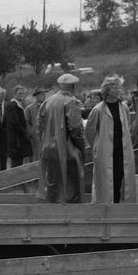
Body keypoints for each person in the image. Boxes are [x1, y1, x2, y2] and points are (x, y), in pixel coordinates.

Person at [35, 73, 86, 204]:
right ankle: (71, 217)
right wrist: (82, 148)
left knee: (53, 186)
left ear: (59, 86)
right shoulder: (71, 102)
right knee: (71, 189)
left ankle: (52, 216)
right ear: (73, 87)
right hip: (67, 152)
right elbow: (76, 129)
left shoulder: (46, 103)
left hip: (48, 151)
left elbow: (38, 128)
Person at [85, 75, 136, 204]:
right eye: (116, 87)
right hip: (105, 152)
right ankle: (106, 209)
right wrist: (97, 148)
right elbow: (89, 131)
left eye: (120, 87)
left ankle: (120, 209)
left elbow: (127, 127)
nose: (119, 90)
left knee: (121, 179)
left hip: (121, 152)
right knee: (106, 182)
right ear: (107, 90)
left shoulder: (124, 108)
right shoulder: (98, 110)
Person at [4, 85, 33, 168]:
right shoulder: (14, 106)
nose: (22, 95)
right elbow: (15, 123)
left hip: (17, 141)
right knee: (16, 163)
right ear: (14, 95)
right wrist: (24, 133)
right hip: (16, 141)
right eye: (20, 93)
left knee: (18, 162)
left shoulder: (18, 106)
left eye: (23, 93)